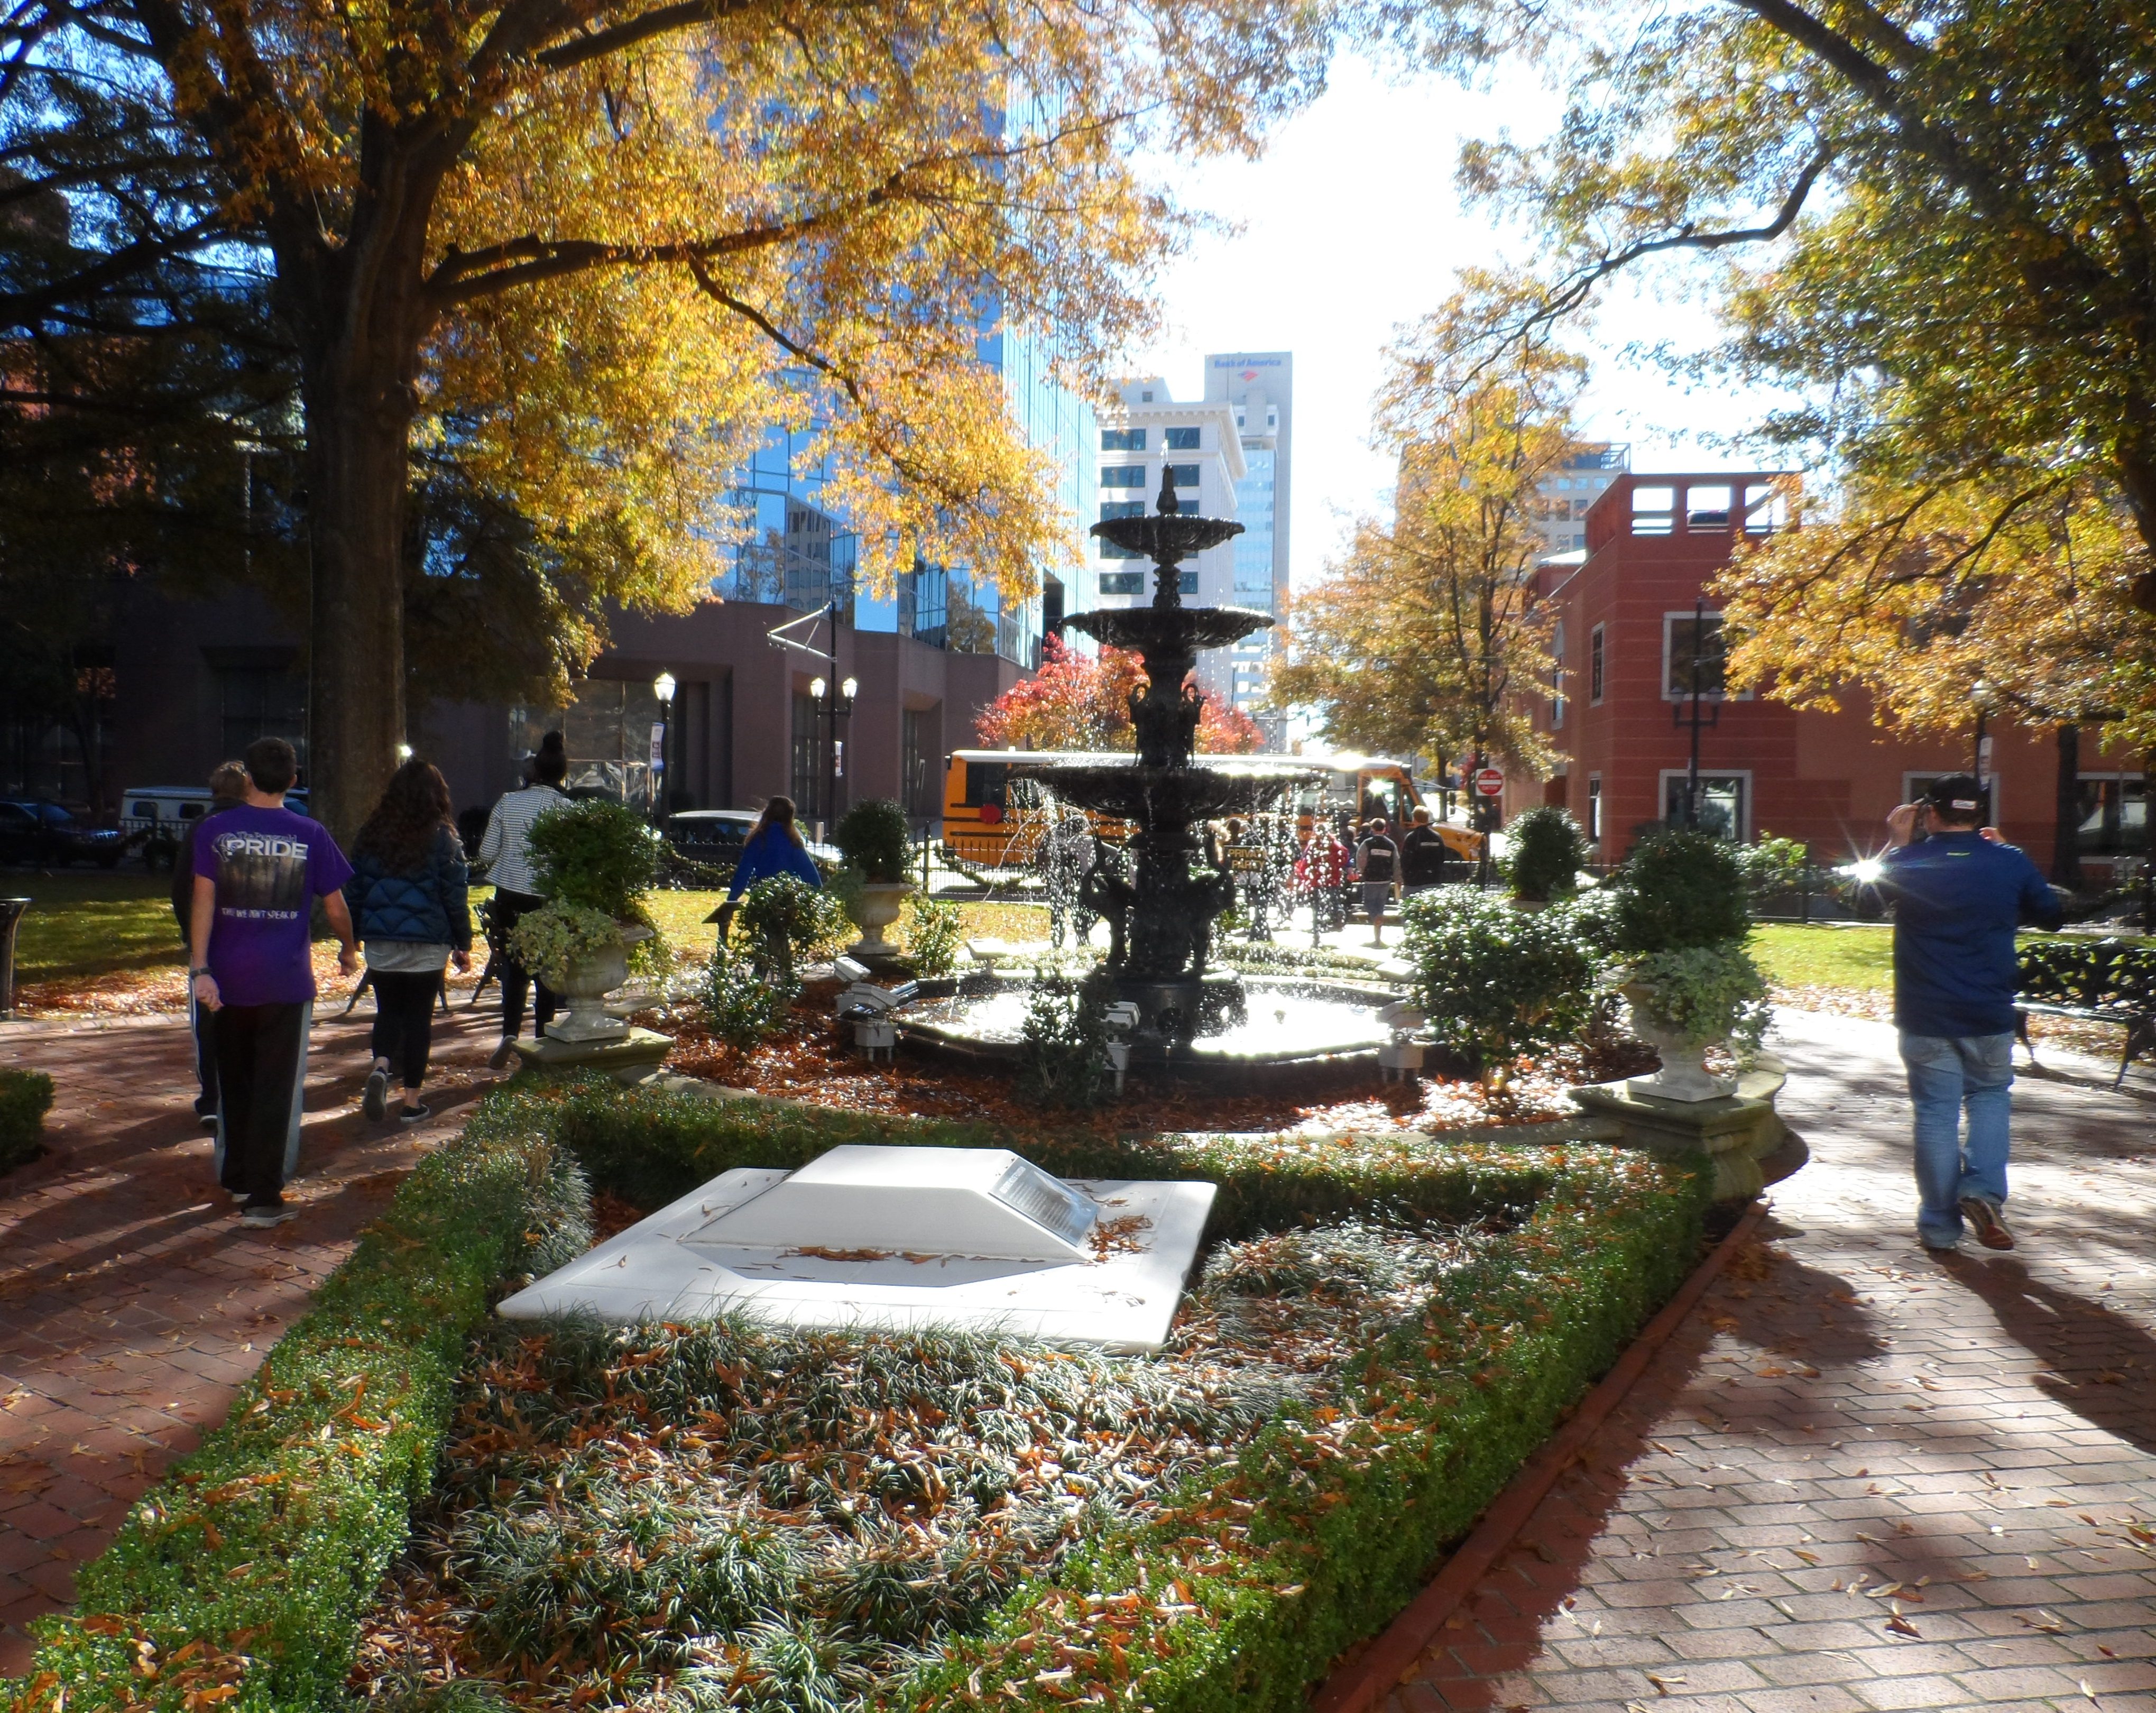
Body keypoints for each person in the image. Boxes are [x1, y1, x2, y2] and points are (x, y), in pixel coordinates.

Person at [1875, 774, 2062, 1254]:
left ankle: (1939, 1226)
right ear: (1978, 814)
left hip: (1925, 1011)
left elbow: (1860, 900)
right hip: (1988, 1008)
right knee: (1989, 1098)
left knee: (1936, 1112)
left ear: (1929, 813)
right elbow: (2051, 914)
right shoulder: (2009, 862)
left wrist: (1895, 843)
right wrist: (2008, 856)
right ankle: (1981, 1191)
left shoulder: (1907, 860)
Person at [188, 736, 357, 1228]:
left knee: (235, 1082)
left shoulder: (215, 831)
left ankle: (238, 1173)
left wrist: (201, 967)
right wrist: (348, 947)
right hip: (285, 980)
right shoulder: (310, 833)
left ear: (247, 779)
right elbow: (335, 905)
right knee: (276, 1088)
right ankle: (264, 1197)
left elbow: (204, 900)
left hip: (226, 980)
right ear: (293, 779)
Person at [345, 759, 473, 1125]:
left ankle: (382, 1066)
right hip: (428, 941)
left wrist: (351, 938)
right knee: (419, 1019)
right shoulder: (443, 837)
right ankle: (412, 1103)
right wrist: (463, 942)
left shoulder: (371, 834)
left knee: (388, 1012)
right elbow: (454, 894)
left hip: (382, 939)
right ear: (437, 795)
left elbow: (356, 890)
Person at [476, 731, 569, 1067]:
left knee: (514, 967)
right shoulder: (567, 809)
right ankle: (543, 1039)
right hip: (547, 898)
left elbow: (487, 853)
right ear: (562, 773)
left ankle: (509, 1033)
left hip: (511, 895)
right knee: (547, 969)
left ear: (535, 769)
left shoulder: (508, 802)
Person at [172, 761, 250, 1131]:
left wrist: (190, 935)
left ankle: (212, 1099)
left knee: (207, 1023)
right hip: (249, 936)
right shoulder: (254, 826)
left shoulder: (200, 828)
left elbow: (181, 887)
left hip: (208, 940)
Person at [711, 795, 824, 941]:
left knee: (764, 939)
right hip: (787, 899)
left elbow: (744, 872)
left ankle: (762, 962)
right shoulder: (793, 841)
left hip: (763, 897)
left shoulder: (758, 839)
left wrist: (732, 899)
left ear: (767, 813)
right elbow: (811, 876)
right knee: (782, 940)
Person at [1045, 807, 1098, 949]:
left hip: (1065, 879)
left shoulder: (1062, 835)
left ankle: (1065, 940)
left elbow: (1043, 852)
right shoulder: (1060, 833)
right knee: (1073, 910)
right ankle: (1075, 939)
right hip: (1067, 879)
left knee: (1067, 910)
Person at [1355, 817, 1400, 947]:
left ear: (1373, 829)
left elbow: (1361, 858)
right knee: (1380, 907)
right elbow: (1396, 863)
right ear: (1385, 829)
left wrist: (1362, 871)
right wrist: (1398, 879)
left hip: (1371, 879)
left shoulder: (1368, 843)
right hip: (1385, 880)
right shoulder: (1391, 845)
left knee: (1368, 904)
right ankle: (1378, 939)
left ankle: (1376, 919)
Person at [1400, 805, 1449, 895]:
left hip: (1414, 882)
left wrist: (1406, 875)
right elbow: (1442, 857)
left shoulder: (1412, 837)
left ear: (1414, 819)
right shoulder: (1437, 837)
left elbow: (1405, 860)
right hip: (1433, 879)